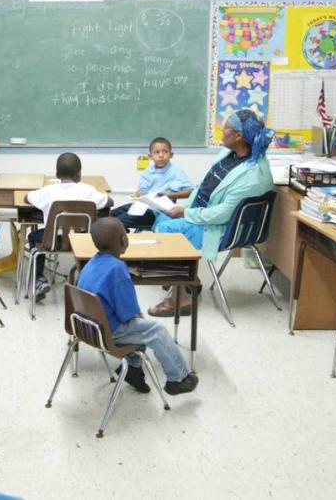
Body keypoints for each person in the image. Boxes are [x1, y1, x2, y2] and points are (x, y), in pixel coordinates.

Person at [149, 109, 274, 317]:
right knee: (159, 217)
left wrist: (186, 213)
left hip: (218, 227)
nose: (220, 133)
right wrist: (182, 202)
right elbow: (206, 185)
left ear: (238, 136)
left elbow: (222, 214)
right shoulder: (230, 153)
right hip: (200, 210)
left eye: (224, 129)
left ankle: (181, 299)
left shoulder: (253, 175)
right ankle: (190, 280)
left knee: (165, 230)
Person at [77, 217, 198, 395]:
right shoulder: (118, 268)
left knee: (141, 329)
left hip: (87, 326)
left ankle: (133, 370)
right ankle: (178, 379)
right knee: (155, 330)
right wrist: (140, 318)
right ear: (124, 240)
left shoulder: (90, 263)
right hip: (108, 331)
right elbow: (129, 314)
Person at [25, 152, 109, 301]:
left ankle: (39, 280)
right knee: (88, 241)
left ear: (57, 175)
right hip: (82, 243)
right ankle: (83, 281)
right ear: (79, 175)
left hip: (52, 242)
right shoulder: (88, 190)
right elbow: (109, 202)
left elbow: (27, 197)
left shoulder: (48, 191)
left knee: (33, 237)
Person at [111, 137, 193, 231]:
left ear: (171, 155)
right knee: (109, 216)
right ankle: (123, 233)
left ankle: (122, 237)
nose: (161, 155)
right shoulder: (149, 170)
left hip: (156, 212)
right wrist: (137, 194)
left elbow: (190, 191)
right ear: (150, 156)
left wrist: (171, 195)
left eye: (165, 152)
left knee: (117, 222)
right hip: (140, 207)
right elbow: (142, 190)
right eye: (157, 152)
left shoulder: (175, 171)